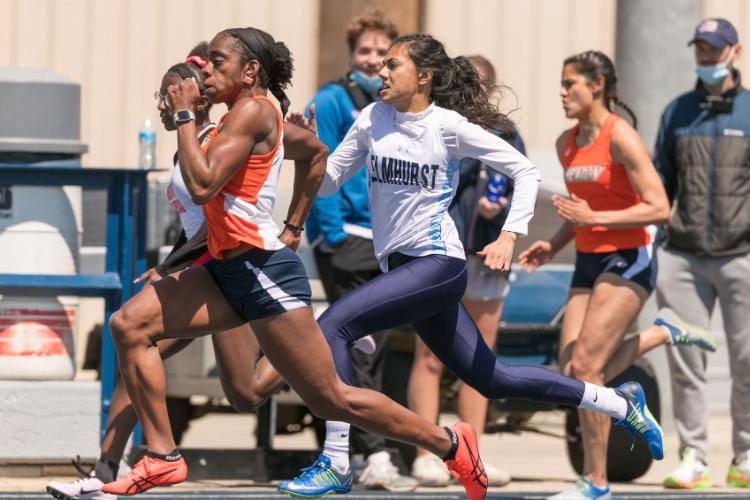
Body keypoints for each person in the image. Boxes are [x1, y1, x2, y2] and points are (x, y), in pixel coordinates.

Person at [98, 27, 494, 500]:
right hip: (226, 268)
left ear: (250, 73)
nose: (207, 74)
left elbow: (203, 186)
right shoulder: (233, 119)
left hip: (263, 270)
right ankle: (162, 458)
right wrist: (294, 222)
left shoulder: (252, 112)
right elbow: (316, 152)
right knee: (130, 325)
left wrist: (186, 115)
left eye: (218, 63)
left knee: (332, 398)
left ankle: (448, 442)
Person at [278, 33, 664, 499]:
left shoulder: (447, 126)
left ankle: (336, 460)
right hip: (402, 268)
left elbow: (525, 171)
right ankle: (620, 404)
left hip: (438, 264)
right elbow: (327, 183)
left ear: (424, 76)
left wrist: (508, 234)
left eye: (393, 64)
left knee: (333, 325)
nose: (381, 71)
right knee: (492, 377)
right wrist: (307, 147)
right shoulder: (371, 119)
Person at [44, 46, 285, 500]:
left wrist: (294, 224)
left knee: (245, 392)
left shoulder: (217, 137)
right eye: (161, 94)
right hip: (200, 269)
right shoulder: (187, 147)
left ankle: (323, 339)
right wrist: (168, 265)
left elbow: (226, 211)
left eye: (168, 93)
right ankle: (111, 467)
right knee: (134, 345)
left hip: (225, 269)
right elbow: (196, 226)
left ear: (192, 99)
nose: (161, 102)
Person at [517, 50, 717, 500]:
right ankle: (663, 333)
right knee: (574, 374)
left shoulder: (620, 136)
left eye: (571, 84)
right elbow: (581, 211)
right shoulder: (565, 142)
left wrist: (596, 219)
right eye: (562, 83)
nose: (562, 92)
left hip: (630, 258)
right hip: (587, 262)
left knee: (588, 368)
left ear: (598, 86)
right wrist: (553, 244)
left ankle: (597, 481)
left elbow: (660, 208)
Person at [655, 18, 750, 491]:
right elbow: (659, 184)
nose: (706, 58)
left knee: (748, 363)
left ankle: (745, 456)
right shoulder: (677, 112)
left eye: (714, 50)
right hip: (683, 259)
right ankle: (693, 456)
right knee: (687, 362)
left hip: (743, 257)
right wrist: (660, 245)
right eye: (700, 49)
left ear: (735, 51)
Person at [302, 10, 417, 493]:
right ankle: (371, 453)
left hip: (390, 242)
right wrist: (330, 236)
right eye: (365, 51)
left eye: (383, 54)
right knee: (359, 349)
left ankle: (368, 448)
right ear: (351, 55)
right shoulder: (332, 100)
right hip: (348, 240)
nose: (374, 61)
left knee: (383, 348)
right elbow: (318, 165)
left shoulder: (399, 106)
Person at [405, 54, 520, 488]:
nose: (474, 92)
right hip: (439, 251)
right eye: (465, 83)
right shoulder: (433, 125)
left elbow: (518, 178)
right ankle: (427, 452)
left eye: (481, 85)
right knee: (430, 356)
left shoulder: (505, 132)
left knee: (479, 359)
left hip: (486, 252)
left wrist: (502, 209)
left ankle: (474, 455)